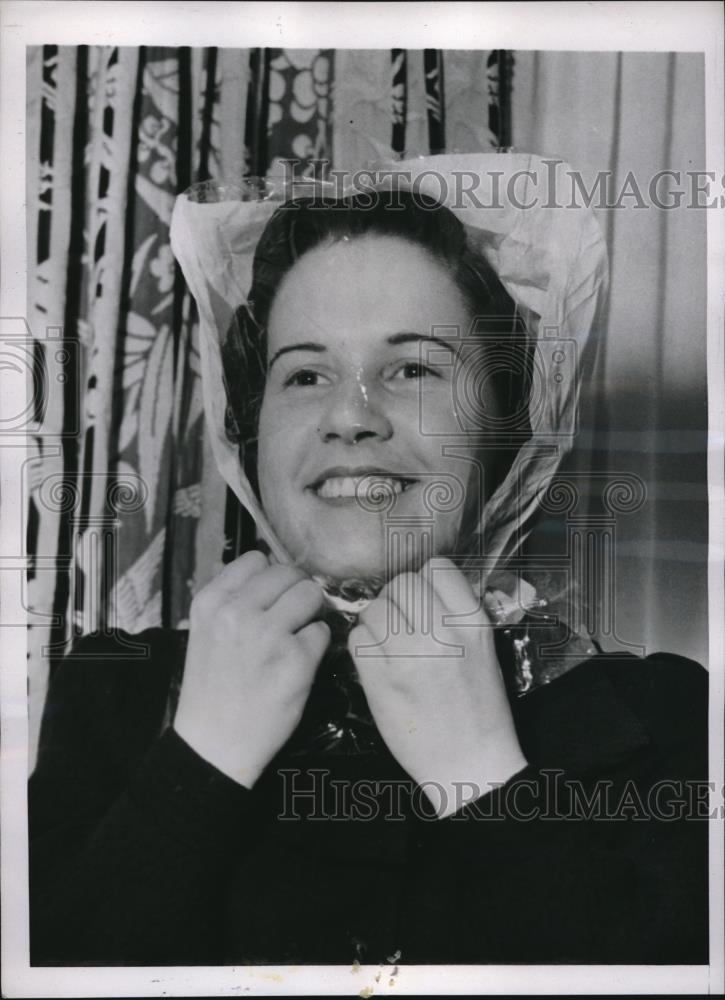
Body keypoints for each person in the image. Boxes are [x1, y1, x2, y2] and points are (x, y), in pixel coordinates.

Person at [29, 154, 709, 967]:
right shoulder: (116, 691)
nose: (349, 417)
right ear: (250, 435)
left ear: (504, 428)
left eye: (414, 368)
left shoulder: (664, 719)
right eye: (305, 373)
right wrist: (198, 763)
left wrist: (482, 778)